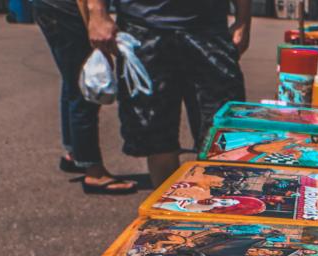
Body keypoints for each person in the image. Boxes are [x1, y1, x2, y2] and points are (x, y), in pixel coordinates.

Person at [84, 0, 251, 186]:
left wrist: (243, 19)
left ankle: (212, 208)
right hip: (143, 26)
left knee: (222, 135)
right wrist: (97, 12)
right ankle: (167, 210)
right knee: (156, 139)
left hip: (209, 28)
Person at [34, 0, 137, 194]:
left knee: (72, 82)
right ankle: (94, 172)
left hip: (51, 7)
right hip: (70, 9)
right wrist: (96, 16)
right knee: (85, 87)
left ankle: (75, 153)